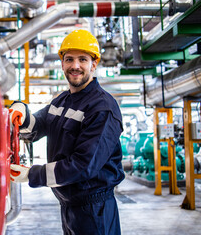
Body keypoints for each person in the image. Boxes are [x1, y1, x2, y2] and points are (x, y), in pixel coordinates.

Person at [9, 29, 125, 235]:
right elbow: (37, 125)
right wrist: (21, 112)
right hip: (69, 205)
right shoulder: (62, 101)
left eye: (83, 59)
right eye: (69, 59)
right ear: (62, 63)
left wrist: (32, 174)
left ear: (94, 64)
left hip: (94, 209)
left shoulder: (102, 107)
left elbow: (83, 166)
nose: (75, 66)